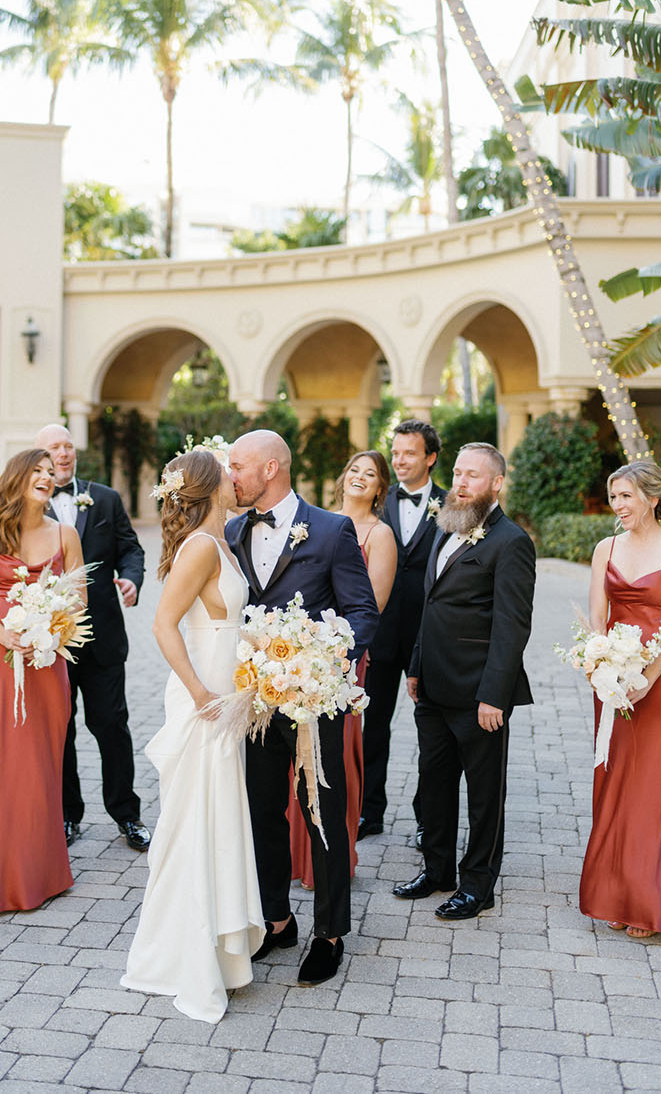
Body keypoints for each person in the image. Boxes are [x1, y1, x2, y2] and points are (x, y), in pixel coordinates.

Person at [226, 430, 379, 986]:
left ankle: (331, 932)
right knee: (261, 811)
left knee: (323, 816)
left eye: (238, 465)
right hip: (257, 703)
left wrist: (325, 660)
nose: (231, 474)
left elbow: (363, 613)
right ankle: (277, 920)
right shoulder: (231, 530)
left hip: (315, 702)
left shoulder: (334, 530)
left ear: (271, 468)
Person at [121, 449, 264, 1022]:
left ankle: (220, 950)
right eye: (229, 473)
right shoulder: (201, 548)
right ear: (211, 488)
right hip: (204, 705)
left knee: (218, 820)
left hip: (228, 700)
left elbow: (229, 624)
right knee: (195, 822)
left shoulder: (221, 542)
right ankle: (183, 954)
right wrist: (201, 692)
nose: (237, 479)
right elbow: (163, 624)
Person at [396, 442, 534, 920]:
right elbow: (429, 606)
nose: (461, 482)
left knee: (483, 794)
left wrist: (495, 695)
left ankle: (478, 885)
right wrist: (415, 665)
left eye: (473, 476)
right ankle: (437, 872)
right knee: (433, 785)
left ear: (496, 484)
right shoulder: (446, 526)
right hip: (432, 688)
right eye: (458, 473)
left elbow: (512, 626)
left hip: (479, 696)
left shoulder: (511, 541)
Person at [0, 449, 85, 912]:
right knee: (6, 763)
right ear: (16, 476)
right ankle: (0, 877)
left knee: (43, 765)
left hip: (48, 662)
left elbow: (78, 601)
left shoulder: (65, 534)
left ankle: (44, 871)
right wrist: (7, 636)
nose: (46, 477)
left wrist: (48, 626)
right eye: (37, 470)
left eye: (51, 473)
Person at [579, 460, 661, 938]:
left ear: (652, 498)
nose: (618, 506)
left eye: (626, 496)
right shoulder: (604, 547)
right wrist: (600, 663)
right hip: (612, 682)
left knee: (654, 786)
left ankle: (651, 901)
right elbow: (596, 616)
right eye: (614, 498)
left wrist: (647, 676)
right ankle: (616, 892)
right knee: (614, 782)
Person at [35, 424, 149, 853]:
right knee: (59, 729)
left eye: (68, 446)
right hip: (49, 640)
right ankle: (67, 814)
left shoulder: (104, 498)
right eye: (54, 447)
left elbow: (130, 548)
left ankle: (127, 814)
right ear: (38, 456)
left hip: (101, 635)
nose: (63, 454)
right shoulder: (29, 504)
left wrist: (132, 579)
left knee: (111, 726)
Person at [289, 449, 396, 888]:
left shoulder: (380, 534)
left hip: (344, 660)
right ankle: (294, 855)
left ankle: (329, 858)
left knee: (335, 755)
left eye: (369, 474)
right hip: (294, 656)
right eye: (354, 468)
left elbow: (373, 605)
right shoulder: (315, 522)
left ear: (379, 488)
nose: (359, 477)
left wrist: (330, 650)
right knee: (293, 752)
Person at [359, 421, 447, 844]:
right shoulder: (374, 503)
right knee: (372, 727)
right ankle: (368, 811)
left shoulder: (452, 506)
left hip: (429, 639)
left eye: (409, 453)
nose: (399, 461)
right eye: (395, 453)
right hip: (379, 637)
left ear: (430, 457)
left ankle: (427, 818)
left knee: (431, 734)